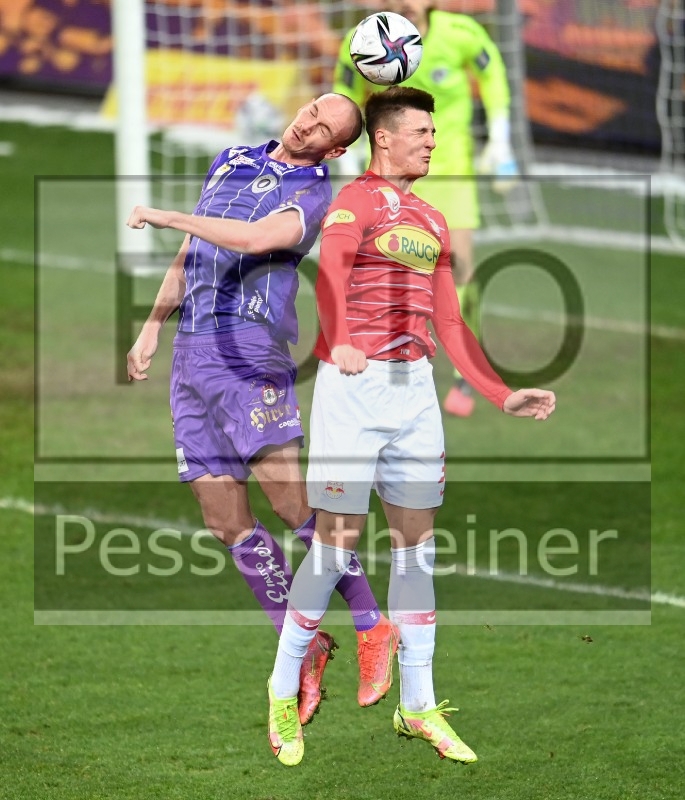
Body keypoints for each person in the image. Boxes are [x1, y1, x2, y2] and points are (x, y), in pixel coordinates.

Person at [267, 86, 555, 767]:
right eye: (421, 132)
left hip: (415, 395)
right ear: (385, 138)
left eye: (432, 132)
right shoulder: (355, 202)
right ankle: (281, 689)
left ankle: (417, 706)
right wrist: (339, 338)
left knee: (416, 552)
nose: (431, 141)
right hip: (354, 389)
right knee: (334, 547)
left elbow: (449, 320)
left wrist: (499, 393)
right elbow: (331, 276)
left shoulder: (432, 218)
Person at [126, 93, 400, 725]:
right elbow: (192, 254)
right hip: (191, 357)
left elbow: (251, 240)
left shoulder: (314, 195)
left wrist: (168, 215)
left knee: (292, 503)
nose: (308, 123)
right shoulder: (232, 159)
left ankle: (372, 624)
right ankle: (304, 647)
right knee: (225, 520)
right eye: (311, 110)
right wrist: (151, 327)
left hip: (248, 352)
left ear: (335, 148)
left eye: (324, 127)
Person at [333, 0, 519, 417]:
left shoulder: (461, 34)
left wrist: (501, 138)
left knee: (460, 269)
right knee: (387, 273)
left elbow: (491, 73)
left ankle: (466, 370)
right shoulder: (364, 40)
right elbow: (344, 96)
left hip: (450, 172)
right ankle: (388, 362)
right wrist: (346, 155)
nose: (406, 5)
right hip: (390, 179)